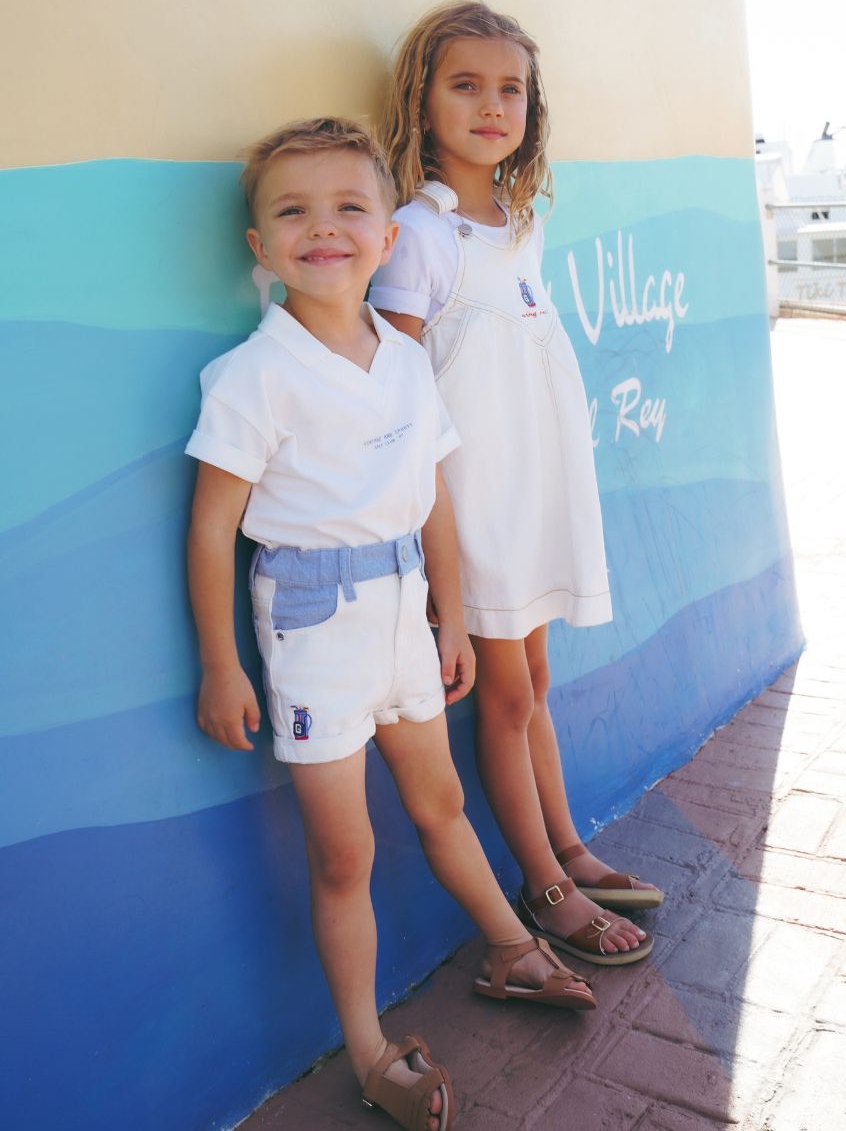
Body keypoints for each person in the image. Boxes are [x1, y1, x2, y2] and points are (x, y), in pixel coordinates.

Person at [186, 118, 595, 1131]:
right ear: (259, 245)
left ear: (385, 237)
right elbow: (209, 530)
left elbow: (434, 500)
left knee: (442, 801)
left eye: (349, 208)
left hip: (406, 622)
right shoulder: (253, 375)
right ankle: (368, 1045)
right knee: (344, 855)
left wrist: (451, 618)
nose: (322, 228)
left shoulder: (404, 359)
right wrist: (220, 665)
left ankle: (507, 944)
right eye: (293, 211)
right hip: (314, 633)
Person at [373, 1, 662, 971]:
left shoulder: (517, 222)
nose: (492, 104)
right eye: (466, 84)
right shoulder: (419, 232)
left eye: (510, 88)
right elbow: (400, 392)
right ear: (421, 97)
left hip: (533, 491)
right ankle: (540, 883)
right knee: (502, 694)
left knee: (534, 679)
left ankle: (569, 845)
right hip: (476, 509)